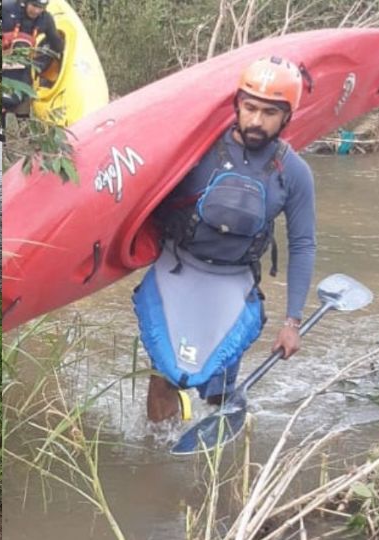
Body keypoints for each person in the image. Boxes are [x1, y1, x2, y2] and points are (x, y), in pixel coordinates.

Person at [135, 56, 316, 422]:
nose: (256, 120)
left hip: (233, 285)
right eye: (249, 107)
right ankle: (155, 452)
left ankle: (215, 458)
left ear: (287, 117)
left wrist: (292, 322)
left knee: (219, 388)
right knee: (164, 376)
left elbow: (303, 244)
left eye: (269, 113)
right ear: (236, 104)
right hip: (177, 272)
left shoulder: (294, 173)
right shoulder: (194, 149)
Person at [2, 0, 65, 118]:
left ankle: (24, 131)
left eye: (40, 7)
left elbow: (56, 43)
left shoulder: (45, 19)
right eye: (34, 6)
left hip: (22, 72)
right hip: (3, 68)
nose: (36, 11)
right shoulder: (7, 9)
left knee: (23, 113)